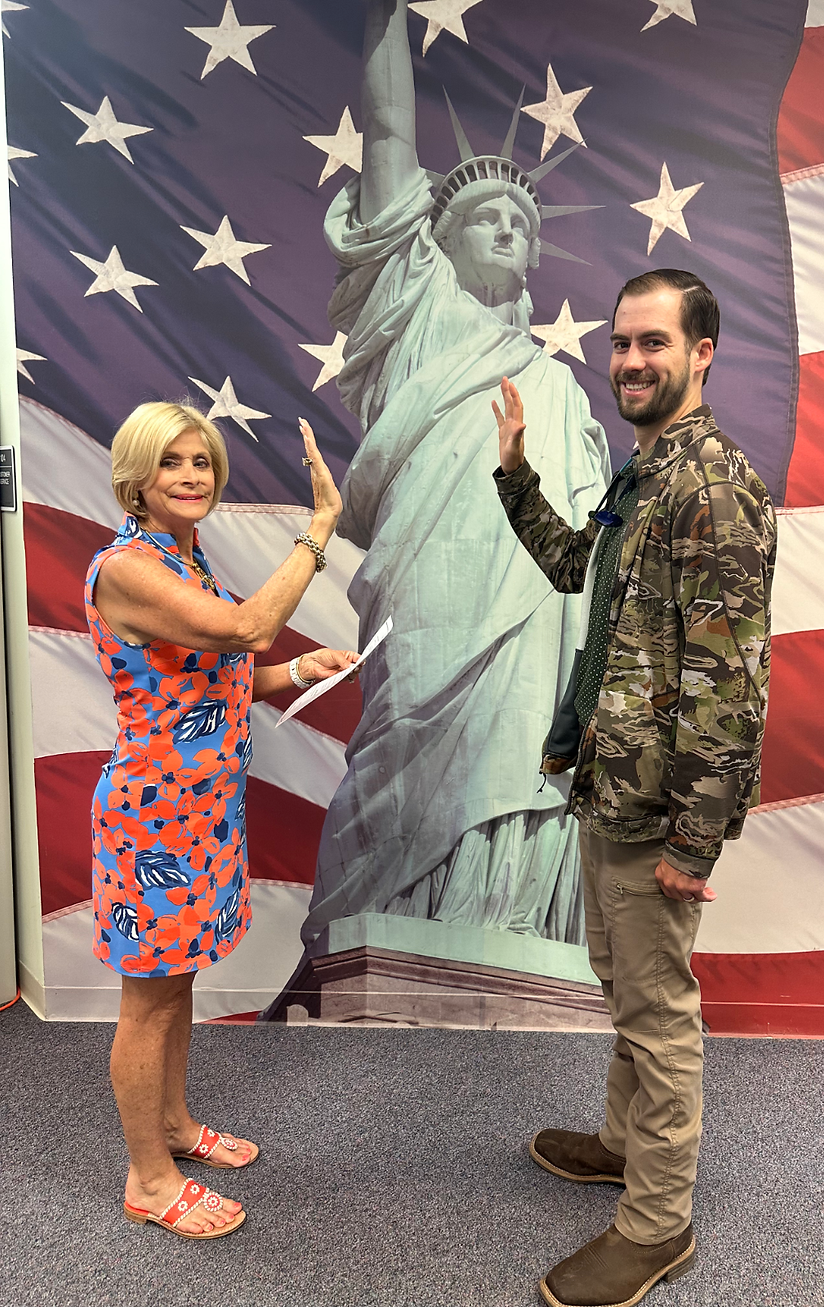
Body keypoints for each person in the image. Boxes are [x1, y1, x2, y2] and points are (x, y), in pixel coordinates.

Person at [296, 0, 609, 957]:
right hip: (433, 571)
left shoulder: (562, 386)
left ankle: (503, 911)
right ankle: (392, 906)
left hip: (536, 596)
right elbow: (390, 133)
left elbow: (587, 538)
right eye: (483, 218)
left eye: (519, 222)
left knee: (525, 732)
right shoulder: (417, 307)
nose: (504, 230)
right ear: (441, 237)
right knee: (406, 725)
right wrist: (382, 18)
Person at [492, 270, 777, 1306]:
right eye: (620, 343)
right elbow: (579, 568)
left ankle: (657, 1224)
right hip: (610, 781)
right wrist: (516, 476)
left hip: (658, 806)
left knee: (658, 1013)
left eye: (652, 342)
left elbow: (730, 685)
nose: (629, 361)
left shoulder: (713, 489)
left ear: (702, 351)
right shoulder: (646, 473)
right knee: (622, 981)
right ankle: (622, 1144)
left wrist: (693, 843)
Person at [86, 401, 356, 1238]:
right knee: (148, 1002)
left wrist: (296, 670)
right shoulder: (127, 568)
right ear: (136, 479)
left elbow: (218, 679)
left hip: (204, 816)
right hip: (153, 820)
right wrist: (321, 524)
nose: (190, 475)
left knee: (178, 985)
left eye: (200, 460)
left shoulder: (187, 560)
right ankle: (149, 1178)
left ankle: (173, 1126)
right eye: (170, 461)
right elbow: (247, 628)